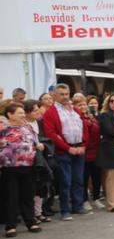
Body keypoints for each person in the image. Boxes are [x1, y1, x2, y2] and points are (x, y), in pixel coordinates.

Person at [41, 83, 90, 220]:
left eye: (66, 94)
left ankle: (77, 206)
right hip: (63, 151)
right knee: (65, 182)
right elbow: (51, 134)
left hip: (79, 149)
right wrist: (68, 148)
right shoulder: (51, 112)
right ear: (54, 95)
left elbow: (84, 128)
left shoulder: (75, 110)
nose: (64, 97)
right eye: (61, 94)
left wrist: (84, 145)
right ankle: (65, 210)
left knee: (79, 180)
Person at [0, 102, 43, 236]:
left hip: (28, 166)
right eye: (20, 113)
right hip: (9, 167)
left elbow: (36, 142)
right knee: (11, 197)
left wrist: (39, 145)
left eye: (23, 113)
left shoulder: (28, 127)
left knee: (27, 196)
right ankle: (11, 226)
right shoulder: (2, 129)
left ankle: (31, 222)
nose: (23, 115)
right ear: (10, 115)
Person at [73, 94, 102, 210]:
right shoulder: (76, 118)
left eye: (84, 104)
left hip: (95, 150)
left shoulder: (92, 116)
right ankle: (84, 200)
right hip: (84, 151)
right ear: (75, 106)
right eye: (79, 105)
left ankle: (96, 198)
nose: (83, 106)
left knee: (96, 176)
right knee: (84, 177)